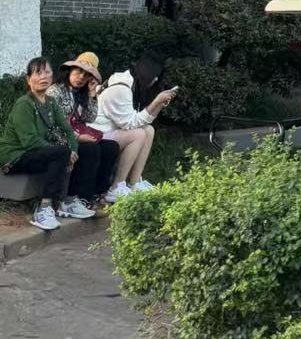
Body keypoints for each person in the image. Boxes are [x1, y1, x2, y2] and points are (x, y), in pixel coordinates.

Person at [0, 56, 96, 230]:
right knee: (60, 152)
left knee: (80, 149)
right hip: (15, 156)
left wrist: (73, 150)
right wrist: (65, 151)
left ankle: (67, 201)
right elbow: (29, 141)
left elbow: (67, 130)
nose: (43, 76)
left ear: (52, 77)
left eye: (47, 72)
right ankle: (44, 209)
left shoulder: (50, 102)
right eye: (38, 73)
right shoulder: (24, 104)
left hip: (36, 152)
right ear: (29, 80)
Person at [97, 57, 178, 198]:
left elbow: (143, 121)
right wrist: (156, 101)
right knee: (139, 134)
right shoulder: (121, 88)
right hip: (99, 132)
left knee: (149, 130)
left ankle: (134, 182)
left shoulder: (133, 85)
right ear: (145, 74)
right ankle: (117, 186)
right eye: (154, 77)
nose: (154, 81)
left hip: (112, 130)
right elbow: (131, 124)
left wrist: (159, 105)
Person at [50, 52, 120, 212]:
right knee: (90, 148)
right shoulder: (56, 91)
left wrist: (91, 93)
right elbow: (53, 124)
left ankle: (97, 193)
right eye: (78, 71)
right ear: (70, 70)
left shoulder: (81, 94)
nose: (81, 77)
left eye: (87, 75)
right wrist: (78, 138)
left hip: (75, 134)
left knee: (111, 147)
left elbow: (90, 117)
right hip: (58, 138)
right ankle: (78, 197)